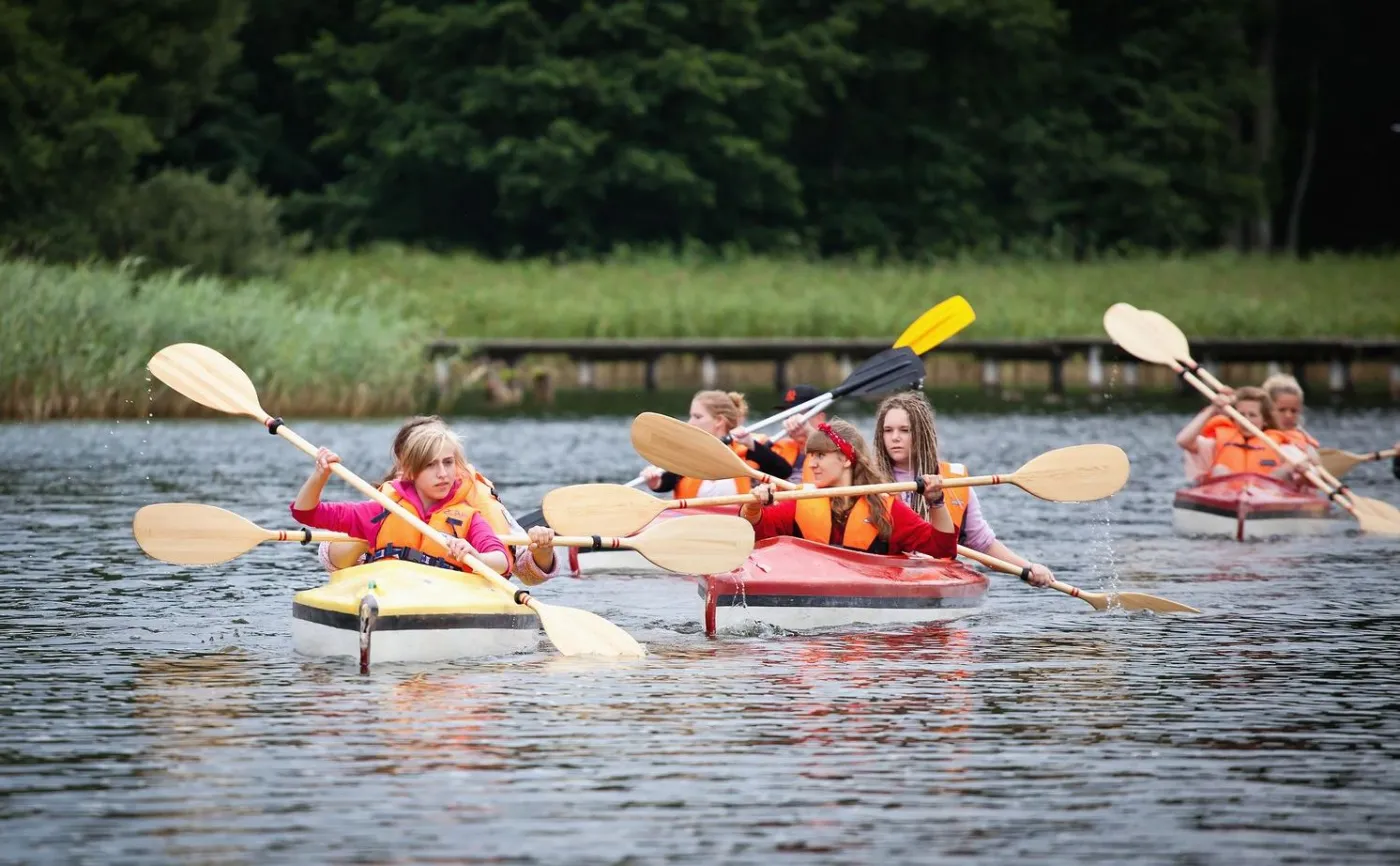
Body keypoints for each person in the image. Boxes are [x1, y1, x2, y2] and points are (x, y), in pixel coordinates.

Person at [292, 419, 555, 582]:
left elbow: (506, 561)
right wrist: (320, 475)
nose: (442, 474)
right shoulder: (383, 508)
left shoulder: (470, 514)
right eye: (430, 464)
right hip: (386, 594)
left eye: (448, 463)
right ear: (408, 468)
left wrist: (476, 556)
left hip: (448, 596)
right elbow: (306, 514)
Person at [872, 392, 1055, 587]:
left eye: (905, 430)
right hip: (883, 573)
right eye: (888, 430)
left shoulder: (953, 482)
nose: (895, 438)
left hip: (935, 576)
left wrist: (1027, 568)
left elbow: (982, 543)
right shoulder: (869, 481)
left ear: (921, 434)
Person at [740, 417, 957, 559]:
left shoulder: (886, 509)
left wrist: (936, 501)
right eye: (811, 456)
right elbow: (754, 533)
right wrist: (753, 506)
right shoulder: (800, 503)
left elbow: (942, 549)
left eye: (821, 456)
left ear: (845, 459)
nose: (812, 464)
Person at [641, 390, 792, 497]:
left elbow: (783, 471)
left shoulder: (751, 449)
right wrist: (656, 482)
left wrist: (751, 444)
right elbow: (668, 481)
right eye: (691, 416)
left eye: (697, 417)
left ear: (719, 421)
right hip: (696, 526)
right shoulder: (688, 454)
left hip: (741, 526)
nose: (690, 423)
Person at [1175, 385, 1291, 482]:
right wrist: (1213, 409)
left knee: (1286, 469)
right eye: (1241, 415)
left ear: (1265, 420)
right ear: (1233, 417)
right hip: (1227, 495)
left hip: (1265, 495)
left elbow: (1302, 464)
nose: (1246, 420)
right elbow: (1183, 441)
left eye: (1252, 415)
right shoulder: (1216, 444)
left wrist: (1296, 467)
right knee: (1220, 470)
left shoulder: (1280, 448)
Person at [766, 384, 828, 484]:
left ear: (820, 418)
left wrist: (809, 431)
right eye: (787, 415)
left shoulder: (837, 449)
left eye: (799, 413)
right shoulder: (778, 450)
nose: (791, 420)